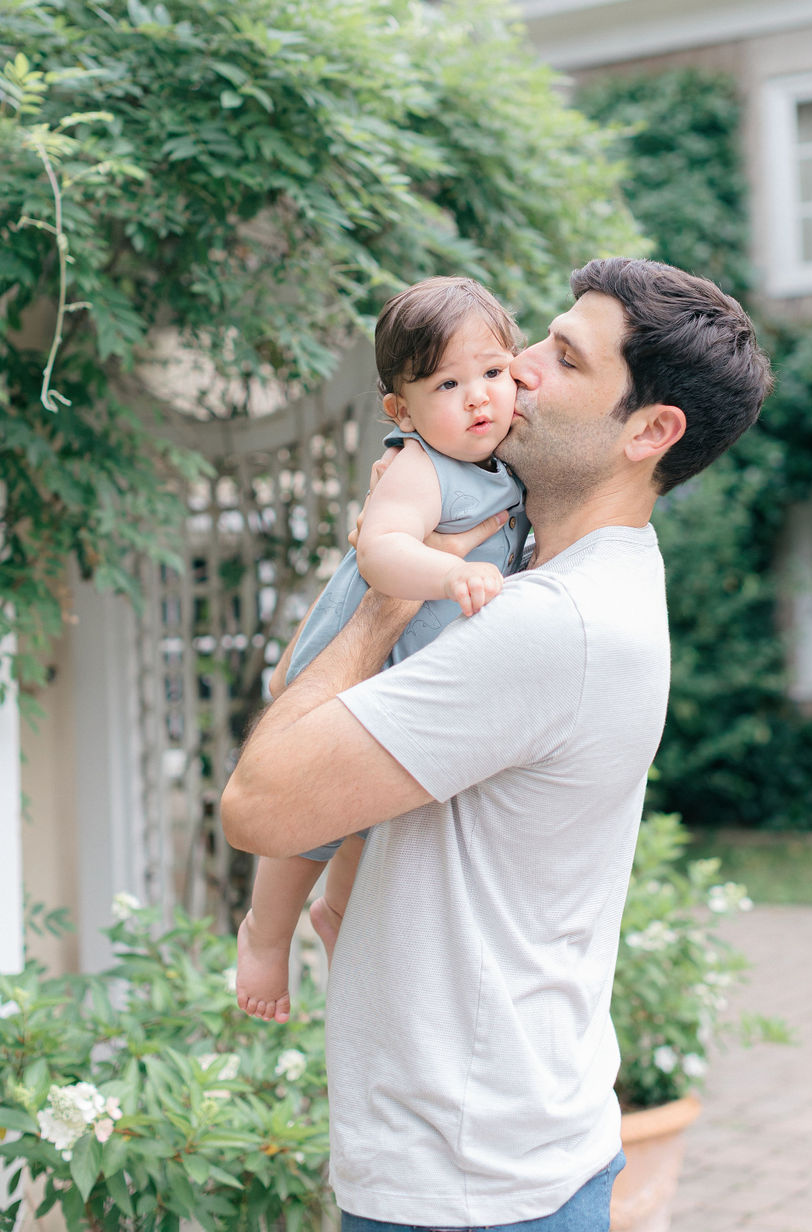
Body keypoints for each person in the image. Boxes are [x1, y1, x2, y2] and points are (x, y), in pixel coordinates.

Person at [221, 256, 773, 1232]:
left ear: (649, 431)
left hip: (469, 1183)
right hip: (496, 1155)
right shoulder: (557, 575)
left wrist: (382, 605)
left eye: (561, 356)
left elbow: (262, 804)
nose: (513, 367)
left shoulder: (550, 624)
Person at [236, 277, 531, 1022]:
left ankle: (336, 914)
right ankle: (265, 936)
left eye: (494, 373)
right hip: (355, 668)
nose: (478, 398)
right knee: (308, 825)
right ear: (401, 411)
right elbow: (381, 552)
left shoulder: (503, 472)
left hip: (406, 683)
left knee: (371, 818)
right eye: (448, 383)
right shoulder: (417, 467)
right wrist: (451, 570)